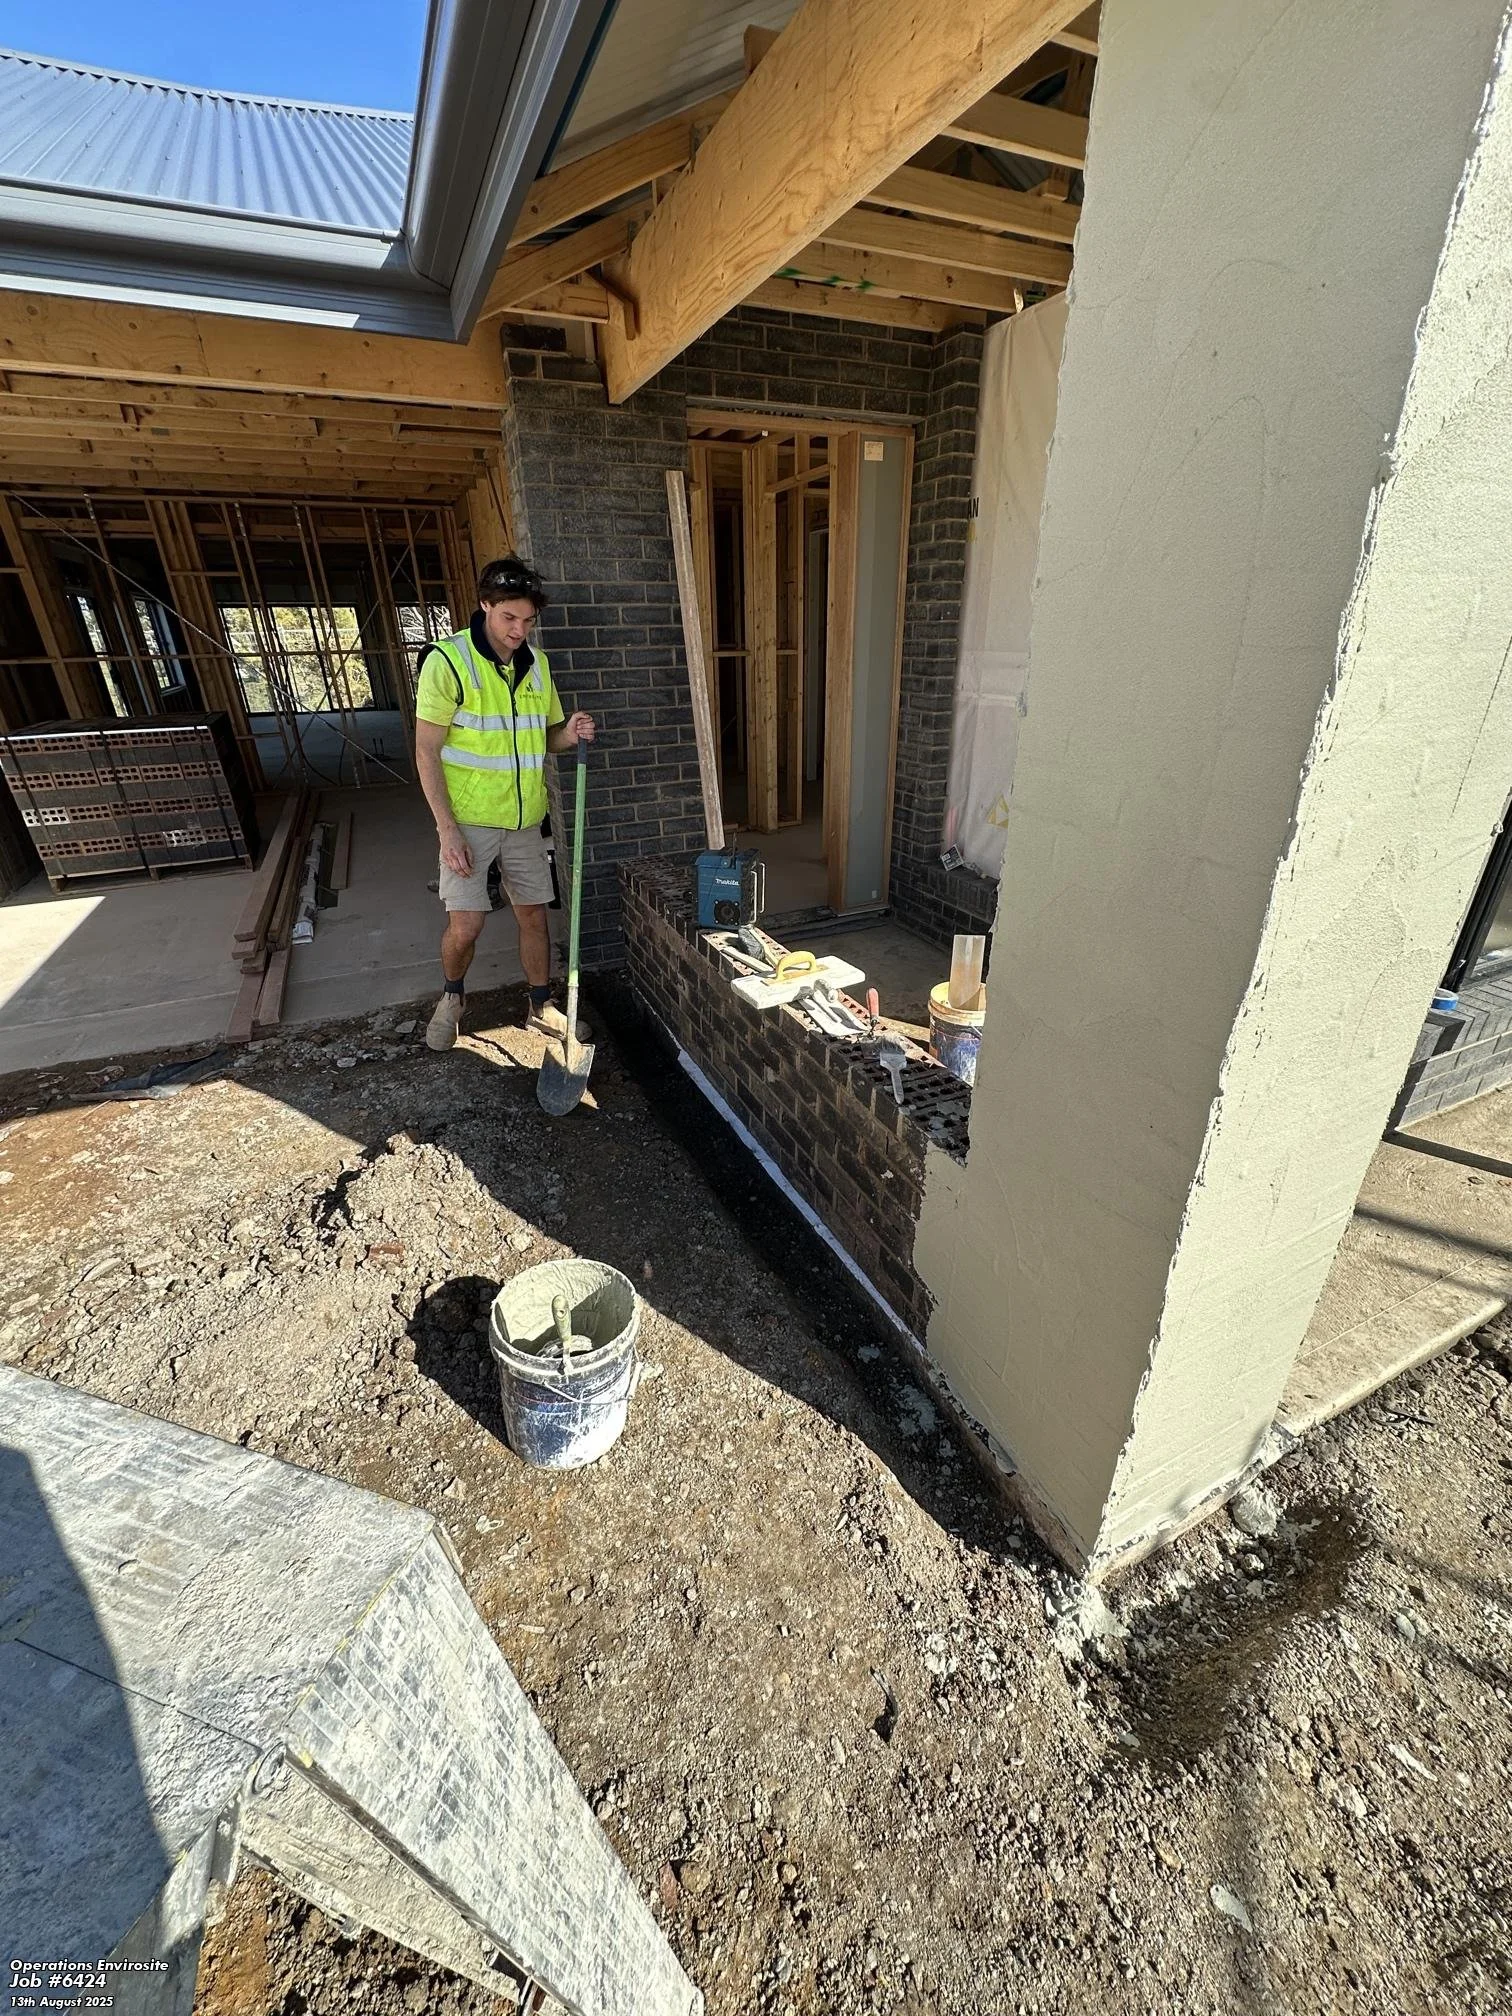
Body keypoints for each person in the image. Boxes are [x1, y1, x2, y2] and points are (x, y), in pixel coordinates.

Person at [413, 555, 595, 1052]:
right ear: (485, 606)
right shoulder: (448, 661)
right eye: (509, 618)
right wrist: (446, 830)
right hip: (468, 821)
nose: (519, 631)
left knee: (534, 915)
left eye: (528, 621)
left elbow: (547, 739)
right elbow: (426, 751)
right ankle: (452, 999)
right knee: (467, 924)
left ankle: (540, 1004)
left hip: (523, 823)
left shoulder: (538, 665)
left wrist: (570, 732)